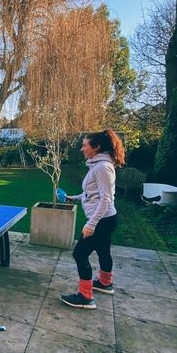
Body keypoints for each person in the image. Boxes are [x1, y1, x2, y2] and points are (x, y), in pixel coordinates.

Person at [61, 128, 126, 309]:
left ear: (96, 147)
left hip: (102, 220)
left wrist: (91, 224)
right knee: (103, 251)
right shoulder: (99, 165)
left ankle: (85, 297)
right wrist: (73, 198)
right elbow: (92, 194)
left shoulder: (103, 167)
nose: (82, 149)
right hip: (107, 220)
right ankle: (105, 283)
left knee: (79, 253)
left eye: (84, 146)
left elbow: (106, 199)